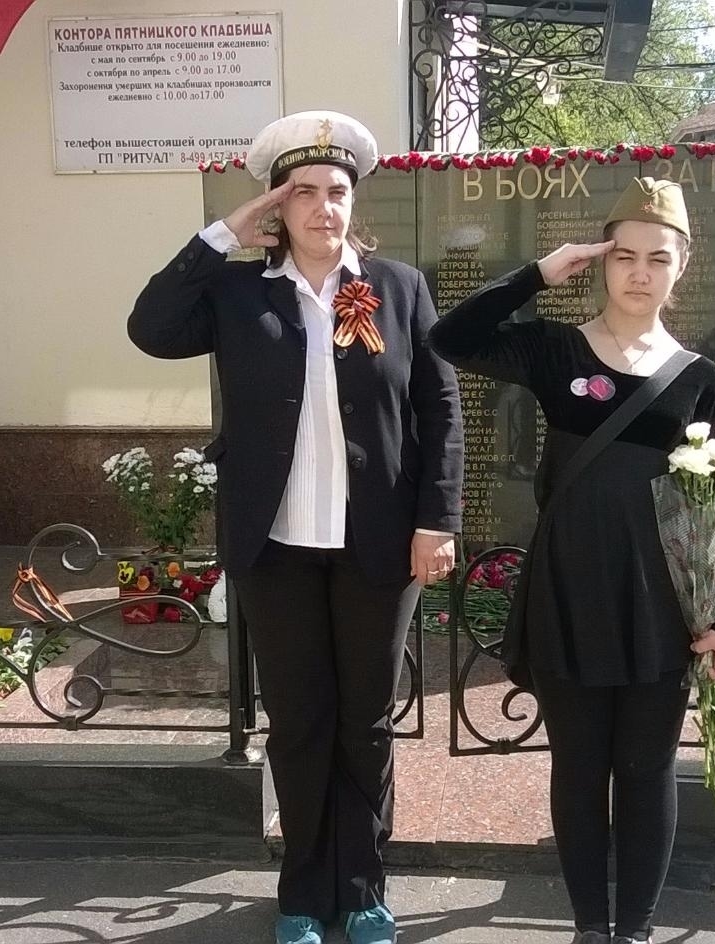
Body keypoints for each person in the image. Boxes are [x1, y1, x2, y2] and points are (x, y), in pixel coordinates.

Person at [127, 110, 462, 944]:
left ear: (354, 202)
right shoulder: (240, 292)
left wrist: (437, 519)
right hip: (275, 547)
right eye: (302, 192)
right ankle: (305, 893)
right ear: (278, 207)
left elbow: (439, 408)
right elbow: (150, 328)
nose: (323, 207)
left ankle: (364, 888)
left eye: (336, 191)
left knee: (365, 725)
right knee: (301, 723)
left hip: (376, 545)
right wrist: (223, 234)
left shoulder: (395, 288)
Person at [429, 178, 715, 944]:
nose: (639, 272)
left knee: (646, 768)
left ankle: (632, 930)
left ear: (682, 266)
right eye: (624, 255)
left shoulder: (698, 376)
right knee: (576, 765)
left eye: (658, 258)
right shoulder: (556, 350)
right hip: (569, 586)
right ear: (601, 261)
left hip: (660, 599)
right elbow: (451, 339)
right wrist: (538, 274)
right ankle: (589, 928)